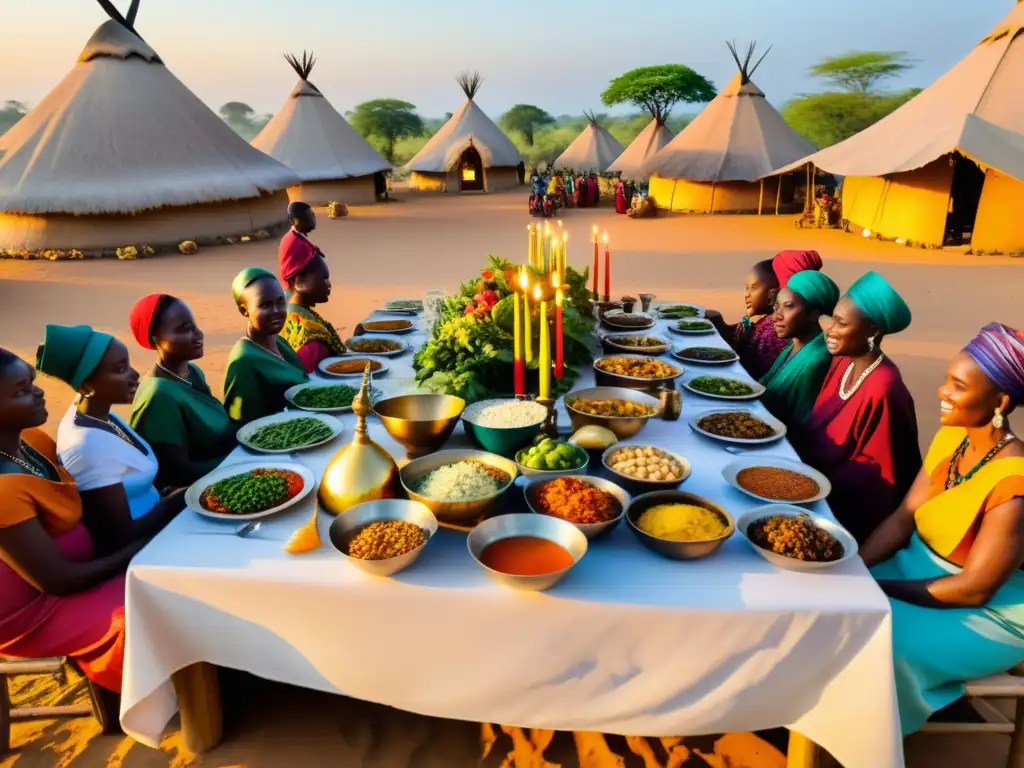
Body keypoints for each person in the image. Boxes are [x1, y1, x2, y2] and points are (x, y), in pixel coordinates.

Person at [861, 323, 1024, 735]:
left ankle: (871, 744)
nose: (942, 393)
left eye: (957, 386)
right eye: (946, 380)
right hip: (916, 572)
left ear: (999, 401)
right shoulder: (954, 437)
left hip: (986, 610)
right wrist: (855, 567)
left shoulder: (1014, 482)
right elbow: (904, 516)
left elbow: (975, 588)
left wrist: (879, 588)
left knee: (885, 649)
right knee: (834, 612)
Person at [0, 350, 184, 696]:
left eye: (33, 383)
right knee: (150, 609)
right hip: (33, 608)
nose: (39, 393)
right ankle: (174, 700)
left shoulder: (33, 442)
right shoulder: (2, 490)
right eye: (21, 391)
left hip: (80, 567)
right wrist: (142, 547)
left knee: (174, 579)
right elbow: (60, 582)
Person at [800, 271, 922, 543]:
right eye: (832, 319)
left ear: (872, 331)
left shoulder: (884, 387)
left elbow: (880, 476)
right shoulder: (842, 362)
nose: (830, 330)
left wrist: (815, 481)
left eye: (841, 324)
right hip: (810, 481)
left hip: (847, 513)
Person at [37, 325, 164, 526]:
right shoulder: (88, 445)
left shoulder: (99, 414)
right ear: (87, 387)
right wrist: (174, 503)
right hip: (146, 545)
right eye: (120, 369)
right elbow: (121, 534)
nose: (135, 375)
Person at [128, 294, 236, 488]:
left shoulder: (193, 372)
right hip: (194, 492)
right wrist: (238, 460)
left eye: (194, 325)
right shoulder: (160, 395)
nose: (198, 334)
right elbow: (179, 472)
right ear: (156, 340)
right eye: (185, 329)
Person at [223, 267, 308, 425]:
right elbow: (243, 426)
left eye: (280, 302)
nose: (276, 311)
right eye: (265, 305)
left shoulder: (279, 342)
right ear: (244, 310)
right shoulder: (243, 362)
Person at [760, 270, 840, 429]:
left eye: (788, 307)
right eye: (777, 307)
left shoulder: (816, 361)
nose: (776, 316)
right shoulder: (794, 344)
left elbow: (800, 424)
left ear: (814, 314)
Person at [278, 208, 347, 373]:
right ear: (300, 282)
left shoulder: (290, 313)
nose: (328, 284)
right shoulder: (310, 337)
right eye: (323, 278)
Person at [706, 260, 787, 380]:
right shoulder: (758, 320)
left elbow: (748, 362)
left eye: (753, 288)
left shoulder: (772, 330)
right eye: (746, 288)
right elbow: (738, 334)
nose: (747, 294)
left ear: (775, 292)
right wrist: (718, 322)